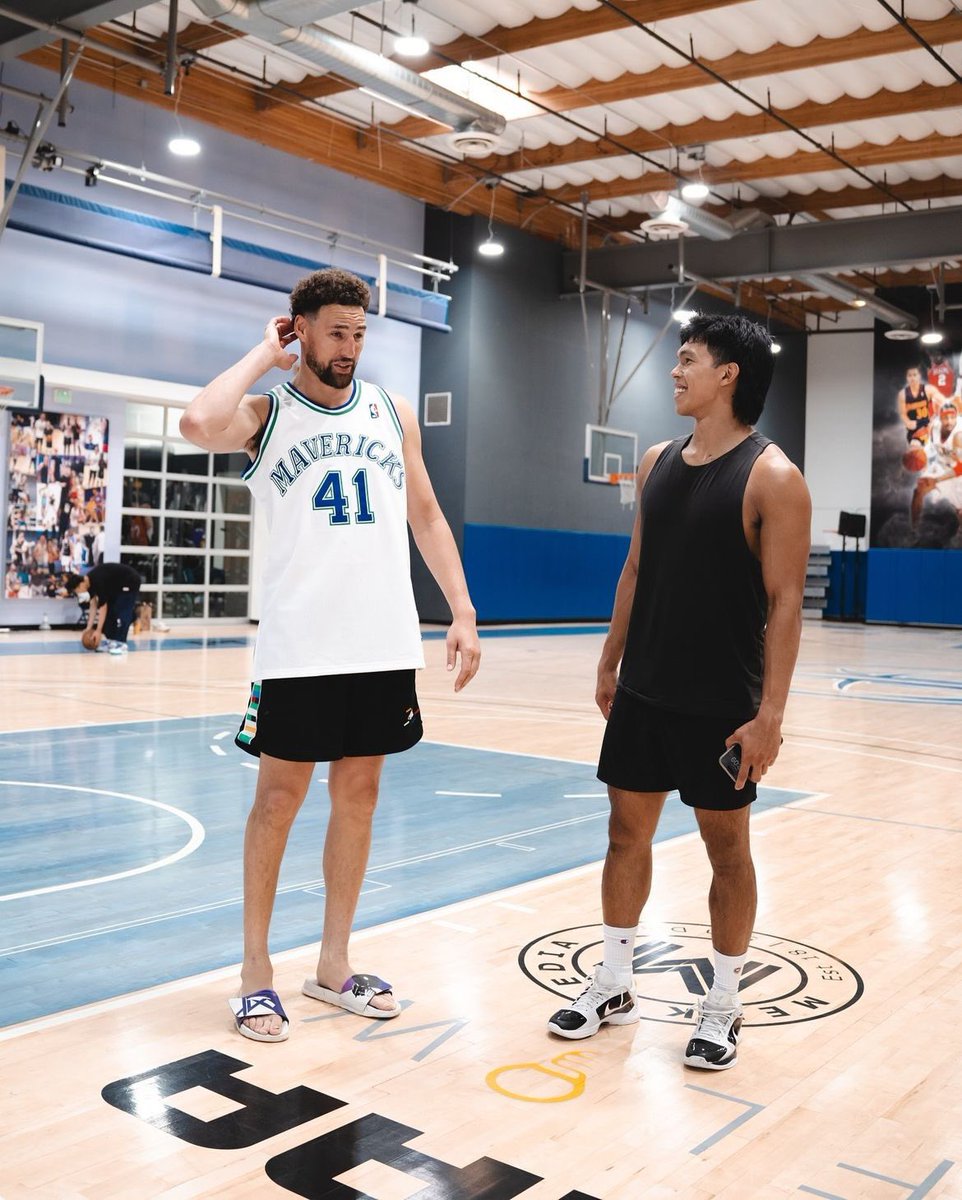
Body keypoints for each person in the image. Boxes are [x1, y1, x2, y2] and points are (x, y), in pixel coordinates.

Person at [179, 266, 480, 1044]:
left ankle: (334, 963)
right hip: (298, 647)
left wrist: (462, 608)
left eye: (359, 333)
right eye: (336, 331)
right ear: (300, 329)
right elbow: (194, 422)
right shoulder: (265, 413)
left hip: (381, 643)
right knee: (277, 804)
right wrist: (259, 353)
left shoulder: (389, 410)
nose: (349, 347)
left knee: (361, 797)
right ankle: (255, 974)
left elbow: (426, 514)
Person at [546, 314, 811, 1072]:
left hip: (723, 704)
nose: (674, 372)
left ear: (729, 374)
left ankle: (724, 1002)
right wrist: (609, 660)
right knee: (624, 834)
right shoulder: (657, 459)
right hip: (645, 692)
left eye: (687, 360)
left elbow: (786, 602)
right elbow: (636, 569)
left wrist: (770, 717)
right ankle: (614, 981)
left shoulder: (774, 477)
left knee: (726, 850)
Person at [62, 562, 142, 654]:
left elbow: (102, 607)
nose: (78, 594)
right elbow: (93, 606)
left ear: (80, 585)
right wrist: (88, 628)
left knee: (121, 612)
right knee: (111, 612)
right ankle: (111, 641)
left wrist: (98, 630)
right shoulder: (88, 584)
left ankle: (121, 644)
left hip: (130, 581)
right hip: (117, 587)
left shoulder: (97, 580)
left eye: (77, 591)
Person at [911, 401, 962, 528]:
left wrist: (936, 480)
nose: (949, 421)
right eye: (946, 418)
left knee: (960, 510)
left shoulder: (959, 436)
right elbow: (923, 434)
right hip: (942, 466)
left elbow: (960, 468)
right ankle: (914, 529)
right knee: (919, 490)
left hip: (958, 473)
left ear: (956, 417)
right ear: (940, 418)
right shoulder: (935, 426)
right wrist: (916, 445)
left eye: (952, 417)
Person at [898, 365, 946, 446]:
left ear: (919, 376)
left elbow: (943, 401)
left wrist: (937, 412)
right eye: (910, 375)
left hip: (929, 424)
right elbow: (903, 414)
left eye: (915, 375)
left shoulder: (928, 389)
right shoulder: (902, 394)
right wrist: (907, 422)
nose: (912, 378)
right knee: (915, 447)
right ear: (906, 377)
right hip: (915, 428)